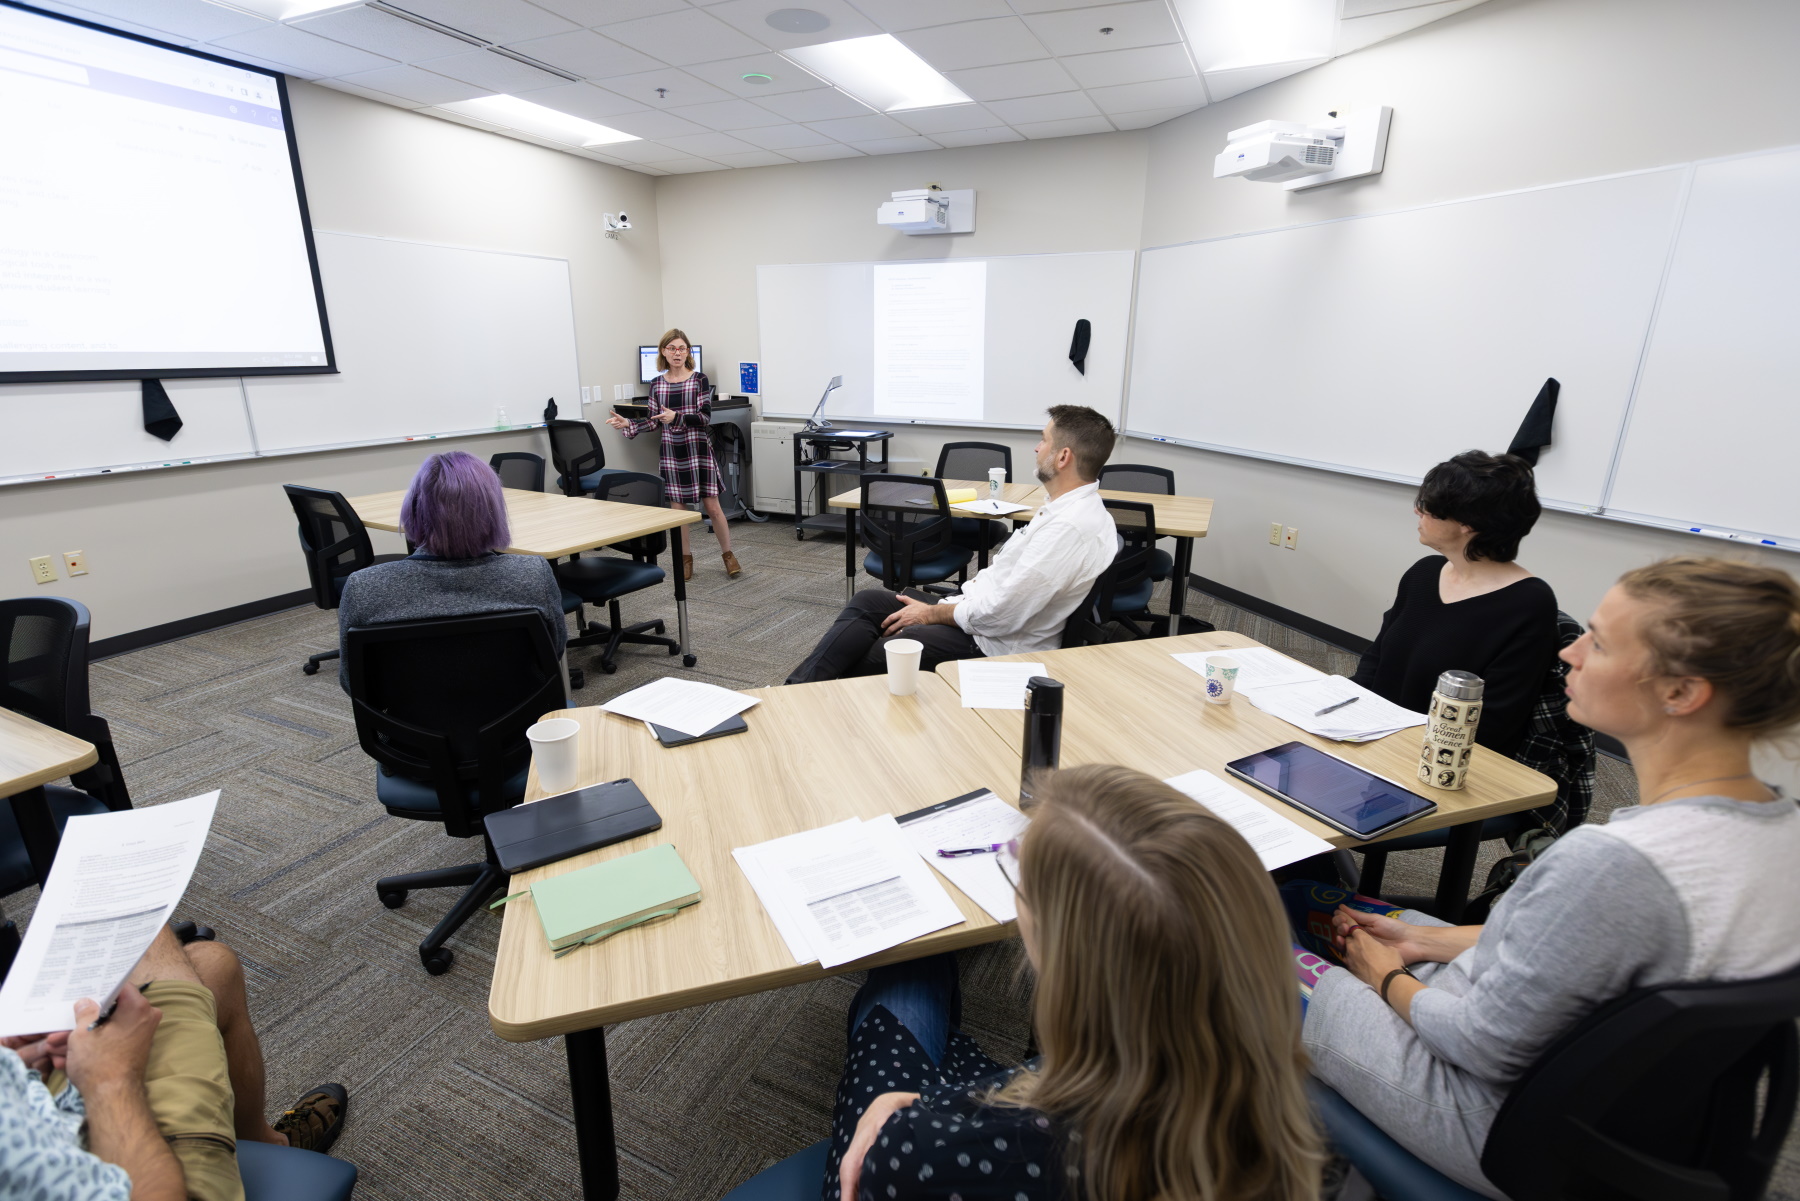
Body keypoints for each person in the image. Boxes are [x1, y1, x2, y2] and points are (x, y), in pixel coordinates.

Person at [1291, 556, 1800, 1198]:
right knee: (1317, 902)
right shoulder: (1780, 828)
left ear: (1680, 692)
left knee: (1238, 942)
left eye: (1601, 642)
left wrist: (1380, 974)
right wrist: (1425, 944)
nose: (1571, 653)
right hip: (1606, 1108)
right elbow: (1587, 955)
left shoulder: (1614, 863)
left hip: (1489, 1112)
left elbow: (1481, 1046)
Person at [823, 764, 1323, 1201]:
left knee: (898, 997)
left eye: (1018, 866)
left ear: (1070, 964)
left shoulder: (918, 1153)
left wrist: (899, 1111)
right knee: (931, 1025)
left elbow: (874, 1175)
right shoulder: (1279, 1114)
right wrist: (927, 1103)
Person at [1, 923, 346, 1201]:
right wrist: (111, 1079)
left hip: (32, 1118)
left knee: (209, 963)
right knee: (144, 926)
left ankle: (257, 1141)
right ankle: (268, 1149)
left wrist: (17, 1072)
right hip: (130, 1176)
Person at [786, 405, 1117, 684]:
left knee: (885, 650)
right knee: (868, 601)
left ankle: (808, 701)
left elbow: (1003, 615)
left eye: (1043, 441)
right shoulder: (1066, 508)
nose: (1036, 448)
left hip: (993, 644)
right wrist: (943, 607)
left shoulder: (1068, 528)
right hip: (977, 616)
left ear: (1062, 457)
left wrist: (932, 613)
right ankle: (793, 691)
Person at [1352, 450, 1558, 754]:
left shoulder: (1528, 604)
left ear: (1468, 523)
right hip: (1371, 736)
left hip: (1440, 760)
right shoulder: (1424, 573)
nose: (1417, 512)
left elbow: (1494, 724)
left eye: (1426, 507)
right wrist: (1345, 704)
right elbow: (1376, 658)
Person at [335, 450, 566, 689]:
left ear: (414, 509)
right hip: (518, 720)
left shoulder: (365, 587)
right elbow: (552, 654)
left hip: (407, 723)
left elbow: (352, 681)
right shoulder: (532, 574)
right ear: (493, 511)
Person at [604, 328, 740, 582]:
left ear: (688, 352)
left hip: (698, 449)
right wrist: (629, 425)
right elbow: (654, 422)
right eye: (672, 348)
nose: (677, 353)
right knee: (678, 510)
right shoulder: (657, 384)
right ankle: (685, 559)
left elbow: (704, 417)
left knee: (713, 507)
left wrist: (676, 417)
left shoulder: (699, 379)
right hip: (672, 452)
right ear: (663, 352)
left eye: (682, 348)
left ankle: (729, 555)